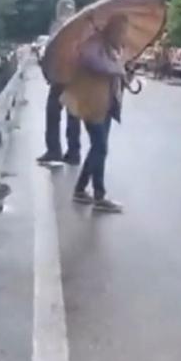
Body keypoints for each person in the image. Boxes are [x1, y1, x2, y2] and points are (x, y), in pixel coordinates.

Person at [71, 14, 129, 213]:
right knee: (100, 147)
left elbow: (116, 73)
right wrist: (117, 69)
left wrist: (125, 73)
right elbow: (94, 63)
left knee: (98, 148)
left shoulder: (113, 48)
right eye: (121, 31)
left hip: (107, 105)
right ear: (112, 29)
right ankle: (99, 195)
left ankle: (81, 189)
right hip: (92, 103)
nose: (123, 35)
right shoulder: (93, 44)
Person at [37, 0, 82, 166]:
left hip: (63, 75)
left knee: (56, 112)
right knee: (71, 114)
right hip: (71, 76)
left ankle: (56, 150)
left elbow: (51, 49)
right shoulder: (77, 27)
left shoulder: (62, 28)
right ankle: (72, 151)